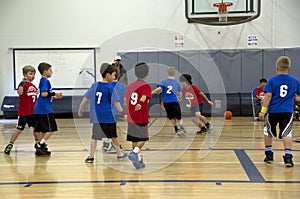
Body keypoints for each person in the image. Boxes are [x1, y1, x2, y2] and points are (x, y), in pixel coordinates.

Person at [78, 63, 127, 163]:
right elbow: (116, 102)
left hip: (97, 117)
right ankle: (119, 154)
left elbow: (86, 97)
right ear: (108, 75)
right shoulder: (110, 87)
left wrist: (81, 107)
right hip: (108, 116)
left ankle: (91, 156)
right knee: (114, 136)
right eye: (113, 75)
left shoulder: (94, 85)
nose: (114, 77)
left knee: (94, 137)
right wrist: (123, 113)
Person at [259, 56, 300, 167]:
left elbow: (268, 95)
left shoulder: (272, 80)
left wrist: (263, 111)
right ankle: (288, 158)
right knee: (287, 133)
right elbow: (298, 98)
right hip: (287, 111)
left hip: (273, 110)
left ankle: (269, 155)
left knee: (268, 131)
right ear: (289, 68)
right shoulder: (294, 81)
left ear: (277, 68)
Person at [4, 65, 39, 155]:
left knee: (36, 128)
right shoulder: (23, 84)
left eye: (34, 74)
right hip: (24, 112)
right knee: (19, 129)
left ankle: (38, 144)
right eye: (30, 74)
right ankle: (10, 144)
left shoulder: (33, 86)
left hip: (33, 112)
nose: (33, 76)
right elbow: (20, 92)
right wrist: (22, 83)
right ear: (25, 74)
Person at [124, 62, 152, 169]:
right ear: (147, 73)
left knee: (134, 139)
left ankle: (138, 161)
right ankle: (134, 153)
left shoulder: (131, 85)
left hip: (131, 117)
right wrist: (140, 103)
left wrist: (128, 110)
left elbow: (126, 98)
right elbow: (144, 96)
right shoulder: (146, 86)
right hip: (140, 116)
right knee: (143, 138)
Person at [34, 62, 63, 155]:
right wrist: (54, 93)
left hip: (40, 108)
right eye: (50, 70)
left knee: (43, 129)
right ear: (45, 71)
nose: (52, 72)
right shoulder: (45, 81)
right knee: (52, 128)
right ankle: (41, 144)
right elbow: (44, 94)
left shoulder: (42, 81)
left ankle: (40, 148)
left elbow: (45, 95)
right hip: (44, 109)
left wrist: (54, 97)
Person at [152, 66, 185, 136]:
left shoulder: (164, 81)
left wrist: (151, 92)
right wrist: (180, 97)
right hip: (174, 101)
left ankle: (176, 128)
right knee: (178, 116)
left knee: (171, 116)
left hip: (166, 102)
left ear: (167, 73)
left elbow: (159, 89)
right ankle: (181, 127)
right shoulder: (177, 82)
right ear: (174, 73)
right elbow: (180, 93)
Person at [102, 67, 126, 153]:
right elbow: (124, 99)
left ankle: (108, 143)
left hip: (106, 110)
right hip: (117, 111)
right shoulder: (121, 86)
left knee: (108, 128)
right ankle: (109, 144)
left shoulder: (106, 85)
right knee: (112, 129)